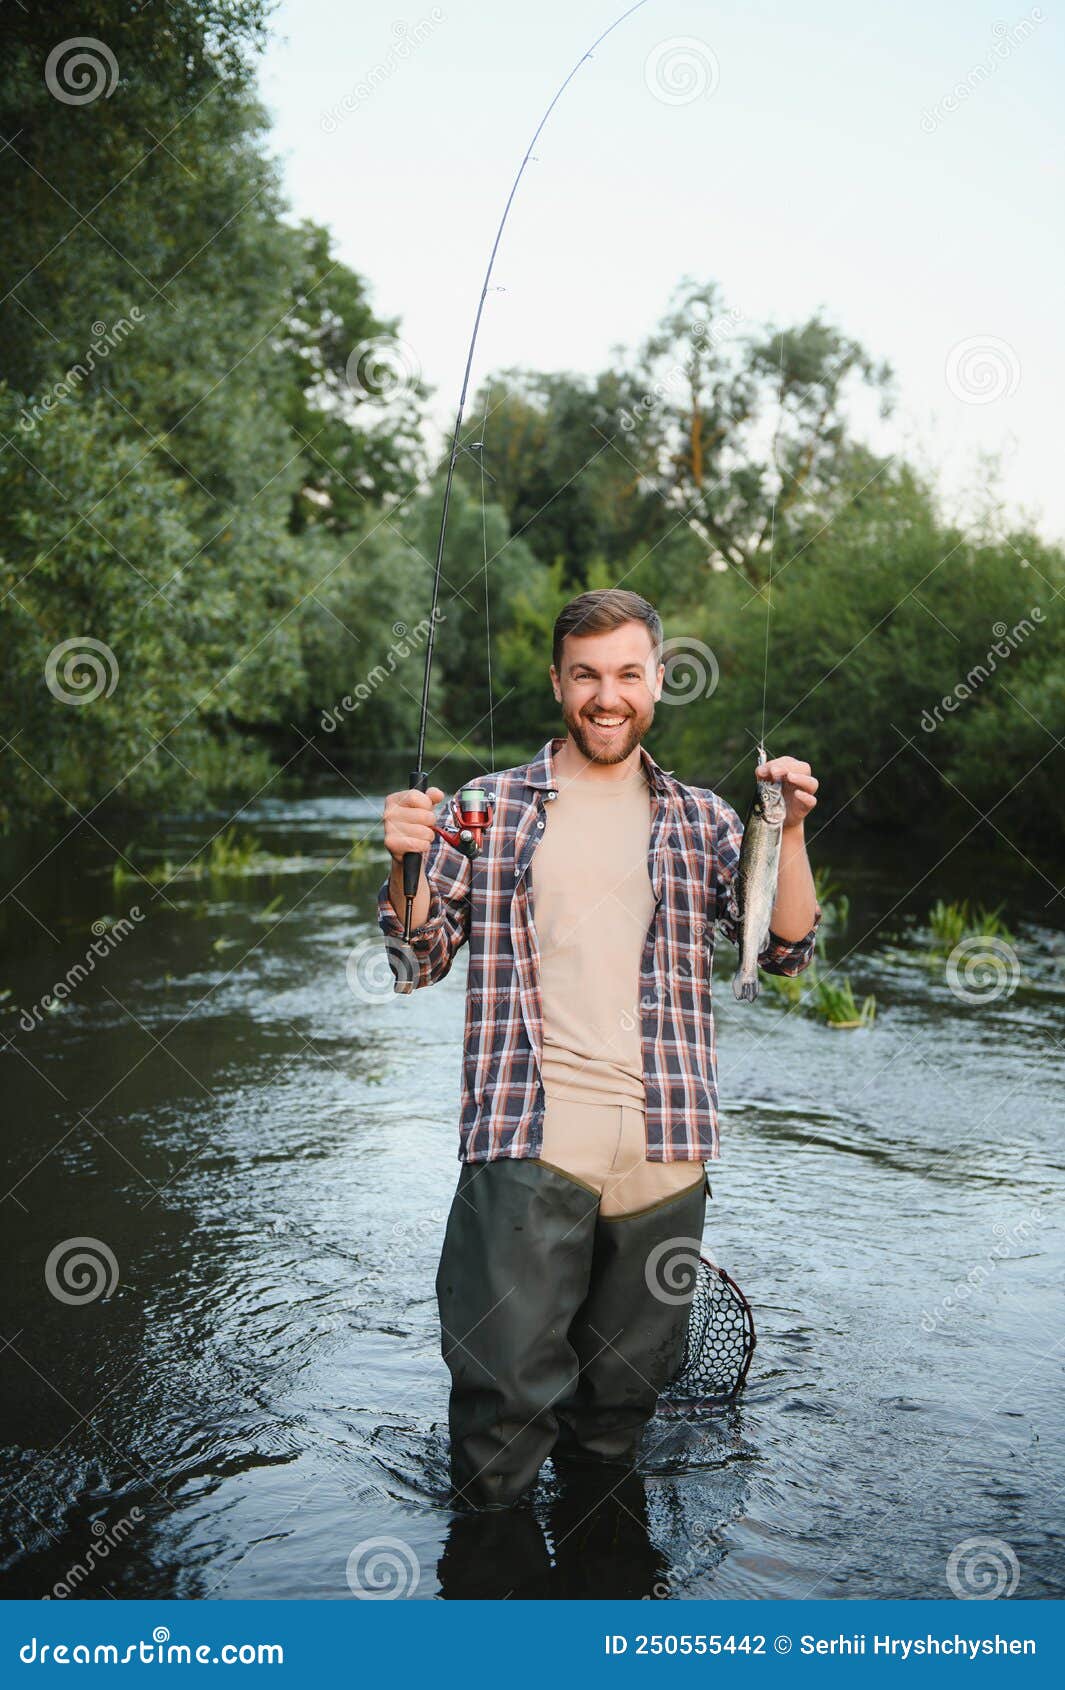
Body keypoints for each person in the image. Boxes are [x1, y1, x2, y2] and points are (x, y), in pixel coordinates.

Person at [378, 588, 821, 1511]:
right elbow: (415, 960)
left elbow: (783, 952)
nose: (606, 696)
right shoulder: (483, 808)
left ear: (658, 680)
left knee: (614, 1432)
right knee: (497, 1447)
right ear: (557, 682)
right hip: (530, 1145)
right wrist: (404, 861)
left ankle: (603, 1634)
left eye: (627, 673)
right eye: (586, 675)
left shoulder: (705, 819)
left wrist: (792, 826)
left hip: (665, 1156)